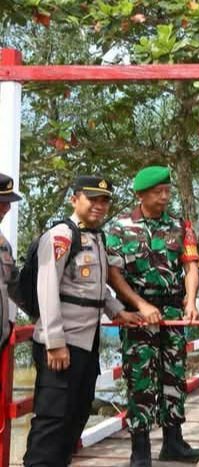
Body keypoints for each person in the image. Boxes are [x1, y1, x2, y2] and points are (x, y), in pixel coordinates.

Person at [24, 176, 140, 467]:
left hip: (87, 344)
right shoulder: (62, 236)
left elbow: (96, 290)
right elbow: (47, 289)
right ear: (75, 199)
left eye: (104, 200)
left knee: (76, 415)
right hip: (63, 343)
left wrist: (118, 312)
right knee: (52, 419)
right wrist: (55, 342)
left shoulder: (97, 237)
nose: (99, 206)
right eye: (92, 199)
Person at [105, 166, 199, 466]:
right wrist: (139, 304)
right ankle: (140, 449)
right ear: (141, 194)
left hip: (172, 311)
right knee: (140, 379)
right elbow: (113, 274)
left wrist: (191, 301)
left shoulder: (180, 225)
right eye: (157, 192)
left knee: (174, 375)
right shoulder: (120, 228)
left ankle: (173, 442)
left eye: (167, 191)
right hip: (138, 313)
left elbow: (191, 266)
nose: (164, 197)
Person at [0, 173, 21, 355]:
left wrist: (45, 315)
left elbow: (16, 287)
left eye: (8, 202)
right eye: (2, 201)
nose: (6, 207)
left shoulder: (4, 245)